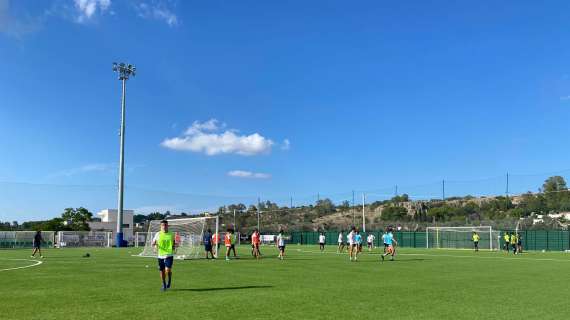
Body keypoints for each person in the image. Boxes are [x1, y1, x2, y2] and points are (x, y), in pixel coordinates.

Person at [152, 220, 176, 291]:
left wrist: (174, 246)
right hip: (160, 255)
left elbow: (173, 243)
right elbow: (154, 242)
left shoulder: (172, 234)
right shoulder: (158, 234)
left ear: (167, 226)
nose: (164, 227)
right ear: (160, 226)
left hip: (169, 255)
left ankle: (169, 280)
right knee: (161, 271)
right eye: (162, 225)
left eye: (165, 225)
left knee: (167, 270)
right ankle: (164, 284)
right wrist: (154, 244)